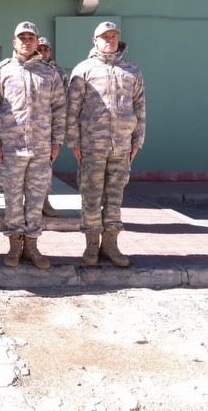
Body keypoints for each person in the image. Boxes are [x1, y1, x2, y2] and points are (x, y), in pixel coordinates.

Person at [0, 21, 66, 269]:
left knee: (36, 199)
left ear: (37, 42)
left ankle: (32, 246)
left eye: (31, 38)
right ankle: (14, 246)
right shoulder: (2, 71)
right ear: (14, 42)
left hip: (41, 149)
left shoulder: (49, 72)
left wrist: (57, 141)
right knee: (12, 199)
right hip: (11, 148)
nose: (26, 42)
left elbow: (59, 109)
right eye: (22, 37)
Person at [66, 21, 146, 267]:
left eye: (113, 36)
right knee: (90, 196)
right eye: (104, 36)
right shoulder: (83, 70)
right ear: (95, 40)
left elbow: (140, 107)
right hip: (92, 146)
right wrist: (74, 142)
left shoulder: (131, 70)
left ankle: (110, 245)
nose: (109, 40)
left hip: (121, 146)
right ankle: (91, 246)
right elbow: (72, 110)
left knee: (115, 196)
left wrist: (137, 140)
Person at [37, 36, 69, 217]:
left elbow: (62, 103)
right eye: (39, 49)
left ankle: (44, 201)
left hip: (48, 129)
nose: (42, 52)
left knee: (45, 168)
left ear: (50, 52)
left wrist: (58, 133)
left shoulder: (58, 72)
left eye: (45, 49)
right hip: (27, 129)